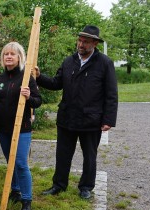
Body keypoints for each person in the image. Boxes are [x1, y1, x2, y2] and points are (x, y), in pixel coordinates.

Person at [35, 25, 118, 199]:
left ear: (94, 43)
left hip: (91, 120)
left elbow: (111, 94)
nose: (81, 44)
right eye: (79, 40)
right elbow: (56, 83)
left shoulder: (104, 63)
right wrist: (39, 77)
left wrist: (108, 119)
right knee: (63, 154)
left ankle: (86, 187)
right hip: (67, 117)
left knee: (90, 156)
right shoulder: (68, 61)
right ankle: (59, 185)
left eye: (85, 42)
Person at [0, 42, 42, 210]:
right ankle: (15, 190)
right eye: (6, 54)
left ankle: (27, 200)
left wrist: (28, 96)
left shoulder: (26, 78)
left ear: (19, 57)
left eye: (12, 54)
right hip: (3, 129)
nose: (9, 57)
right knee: (9, 162)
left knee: (20, 163)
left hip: (22, 129)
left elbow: (38, 101)